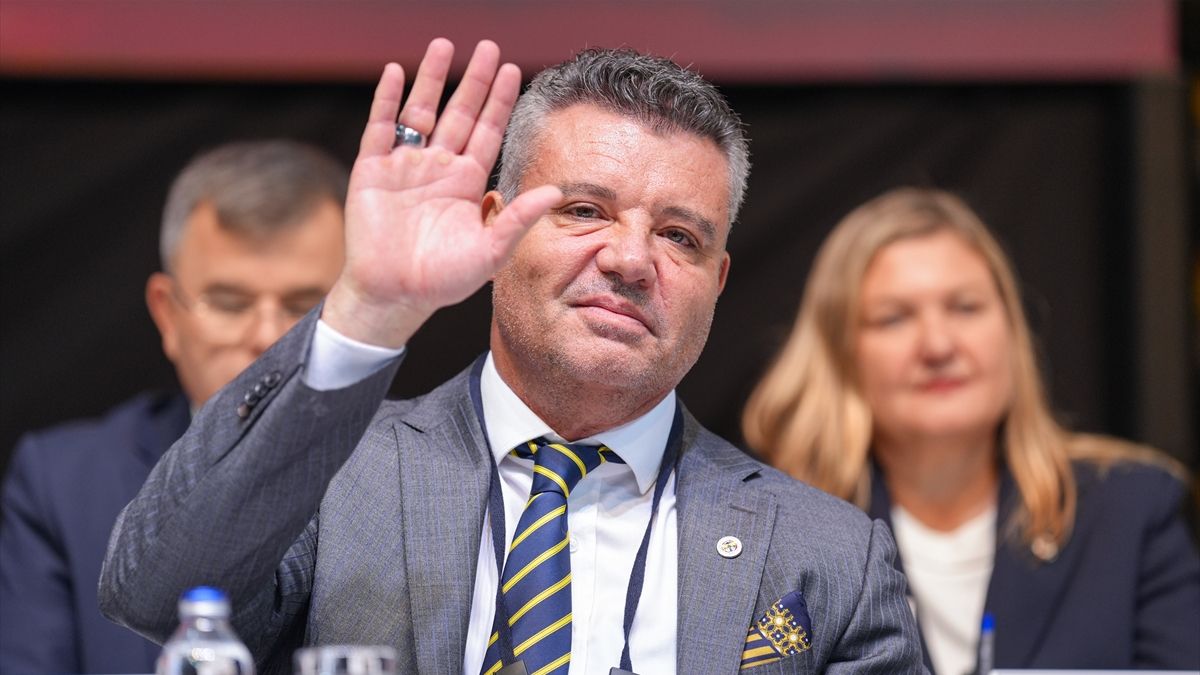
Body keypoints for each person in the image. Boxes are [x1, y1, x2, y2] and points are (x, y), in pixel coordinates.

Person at [99, 39, 925, 674]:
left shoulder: (828, 557)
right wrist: (368, 307)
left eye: (680, 235)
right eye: (585, 210)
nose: (630, 259)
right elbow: (155, 592)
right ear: (495, 224)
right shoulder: (338, 479)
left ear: (718, 280)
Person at [742, 186, 1200, 673]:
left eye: (965, 307)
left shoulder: (1131, 510)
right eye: (894, 318)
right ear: (840, 355)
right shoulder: (780, 535)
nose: (938, 345)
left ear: (1013, 332)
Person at [0, 140, 348, 674]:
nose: (267, 337)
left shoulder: (412, 466)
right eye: (229, 303)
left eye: (303, 305)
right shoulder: (64, 482)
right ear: (167, 315)